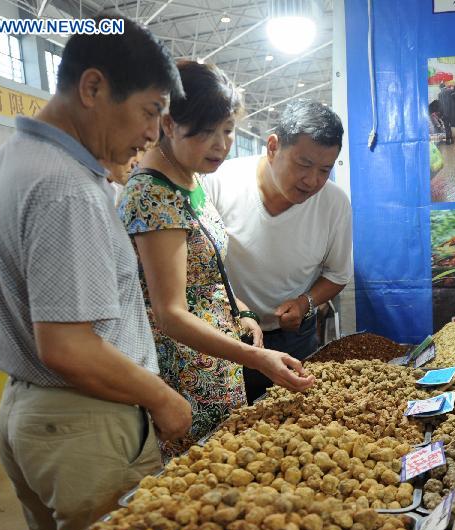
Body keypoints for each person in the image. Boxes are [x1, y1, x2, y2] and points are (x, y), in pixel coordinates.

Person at [0, 16, 192, 530]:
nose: (151, 133)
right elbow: (68, 345)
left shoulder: (11, 159)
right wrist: (163, 398)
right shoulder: (66, 187)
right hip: (84, 424)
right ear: (92, 87)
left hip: (31, 415)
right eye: (149, 112)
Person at [120, 61, 315, 458]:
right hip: (186, 372)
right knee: (199, 479)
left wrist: (237, 309)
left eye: (227, 130)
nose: (221, 144)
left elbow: (202, 275)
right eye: (207, 132)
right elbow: (170, 312)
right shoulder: (154, 195)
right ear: (170, 124)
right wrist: (257, 358)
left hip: (217, 360)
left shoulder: (189, 181)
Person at [201, 100, 352, 404]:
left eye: (325, 170)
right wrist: (239, 311)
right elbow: (201, 269)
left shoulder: (334, 204)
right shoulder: (219, 183)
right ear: (272, 147)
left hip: (294, 340)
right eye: (304, 164)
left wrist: (305, 302)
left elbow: (337, 274)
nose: (312, 181)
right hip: (227, 337)